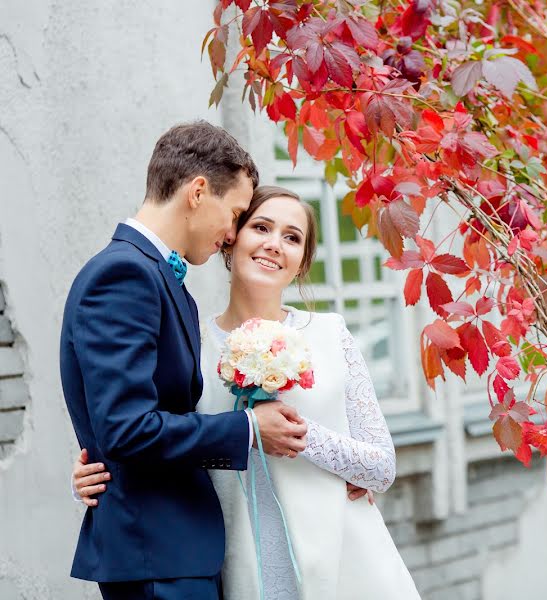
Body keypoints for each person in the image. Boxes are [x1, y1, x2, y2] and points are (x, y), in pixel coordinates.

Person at [74, 184, 421, 599]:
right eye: (261, 227)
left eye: (292, 238)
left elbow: (380, 466)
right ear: (231, 240)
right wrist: (92, 475)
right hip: (236, 565)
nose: (275, 245)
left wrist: (296, 434)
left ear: (301, 263)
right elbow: (152, 432)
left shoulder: (330, 334)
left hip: (341, 559)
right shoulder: (193, 346)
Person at [61, 122, 309, 600]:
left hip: (178, 551)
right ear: (198, 192)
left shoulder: (157, 278)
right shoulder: (123, 275)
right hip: (157, 552)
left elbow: (134, 421)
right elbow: (126, 429)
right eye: (236, 213)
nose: (233, 233)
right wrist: (251, 429)